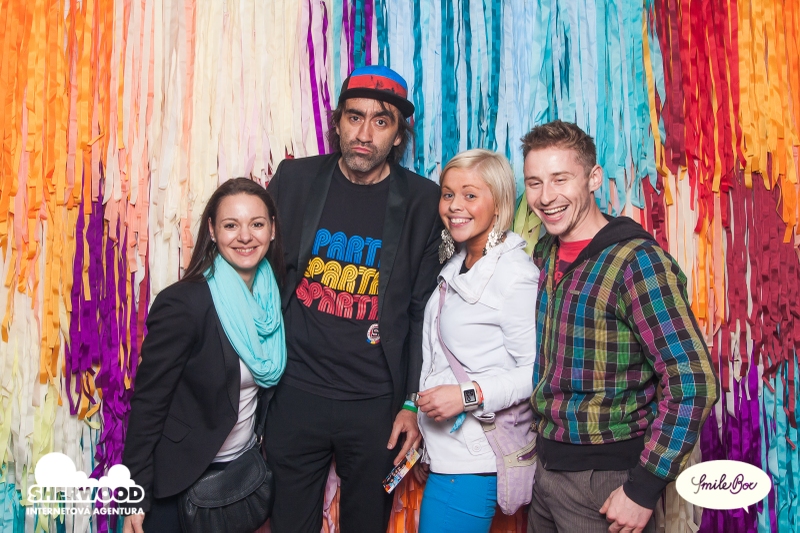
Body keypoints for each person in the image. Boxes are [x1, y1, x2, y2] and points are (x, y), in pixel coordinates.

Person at [264, 65, 443, 532]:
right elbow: (258, 272)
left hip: (375, 406)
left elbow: (422, 312)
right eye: (354, 117)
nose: (364, 134)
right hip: (294, 393)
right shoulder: (295, 179)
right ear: (338, 122)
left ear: (398, 135)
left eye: (381, 121)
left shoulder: (424, 202)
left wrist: (410, 403)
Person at [521, 120, 720, 533]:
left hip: (605, 480)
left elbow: (693, 380)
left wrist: (643, 489)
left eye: (560, 179)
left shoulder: (637, 262)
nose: (546, 196)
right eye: (534, 183)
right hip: (546, 469)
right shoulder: (545, 252)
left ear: (594, 178)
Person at [122, 178, 286, 532]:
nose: (245, 237)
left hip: (238, 475)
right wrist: (134, 493)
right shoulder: (185, 303)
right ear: (212, 230)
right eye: (231, 225)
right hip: (178, 481)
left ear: (272, 230)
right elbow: (148, 404)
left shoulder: (272, 300)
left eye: (257, 224)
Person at [414, 149, 539, 532]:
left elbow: (534, 372)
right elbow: (437, 357)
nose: (455, 206)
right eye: (448, 194)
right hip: (447, 455)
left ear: (498, 203)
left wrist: (466, 396)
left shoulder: (514, 275)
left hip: (474, 462)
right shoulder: (459, 262)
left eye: (470, 195)